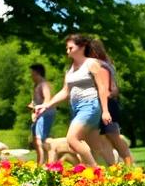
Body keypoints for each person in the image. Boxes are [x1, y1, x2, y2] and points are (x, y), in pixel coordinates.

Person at [32, 35, 111, 165]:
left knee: (72, 139)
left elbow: (102, 88)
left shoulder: (91, 63)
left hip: (90, 105)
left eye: (70, 48)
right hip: (76, 108)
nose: (67, 51)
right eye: (67, 49)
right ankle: (113, 172)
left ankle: (95, 171)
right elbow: (65, 92)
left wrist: (105, 111)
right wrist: (46, 105)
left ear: (82, 47)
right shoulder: (69, 70)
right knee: (94, 145)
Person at [90, 39, 134, 165]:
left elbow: (111, 88)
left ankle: (129, 165)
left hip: (107, 104)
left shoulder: (99, 64)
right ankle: (115, 165)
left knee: (113, 137)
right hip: (107, 103)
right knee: (104, 137)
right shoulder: (107, 63)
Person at [28, 64, 56, 164]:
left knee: (40, 140)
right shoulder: (36, 86)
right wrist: (32, 107)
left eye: (32, 73)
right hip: (39, 115)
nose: (30, 76)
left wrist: (38, 111)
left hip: (45, 114)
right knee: (36, 140)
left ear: (37, 73)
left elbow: (47, 100)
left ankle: (43, 164)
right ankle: (40, 162)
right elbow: (35, 102)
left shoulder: (44, 85)